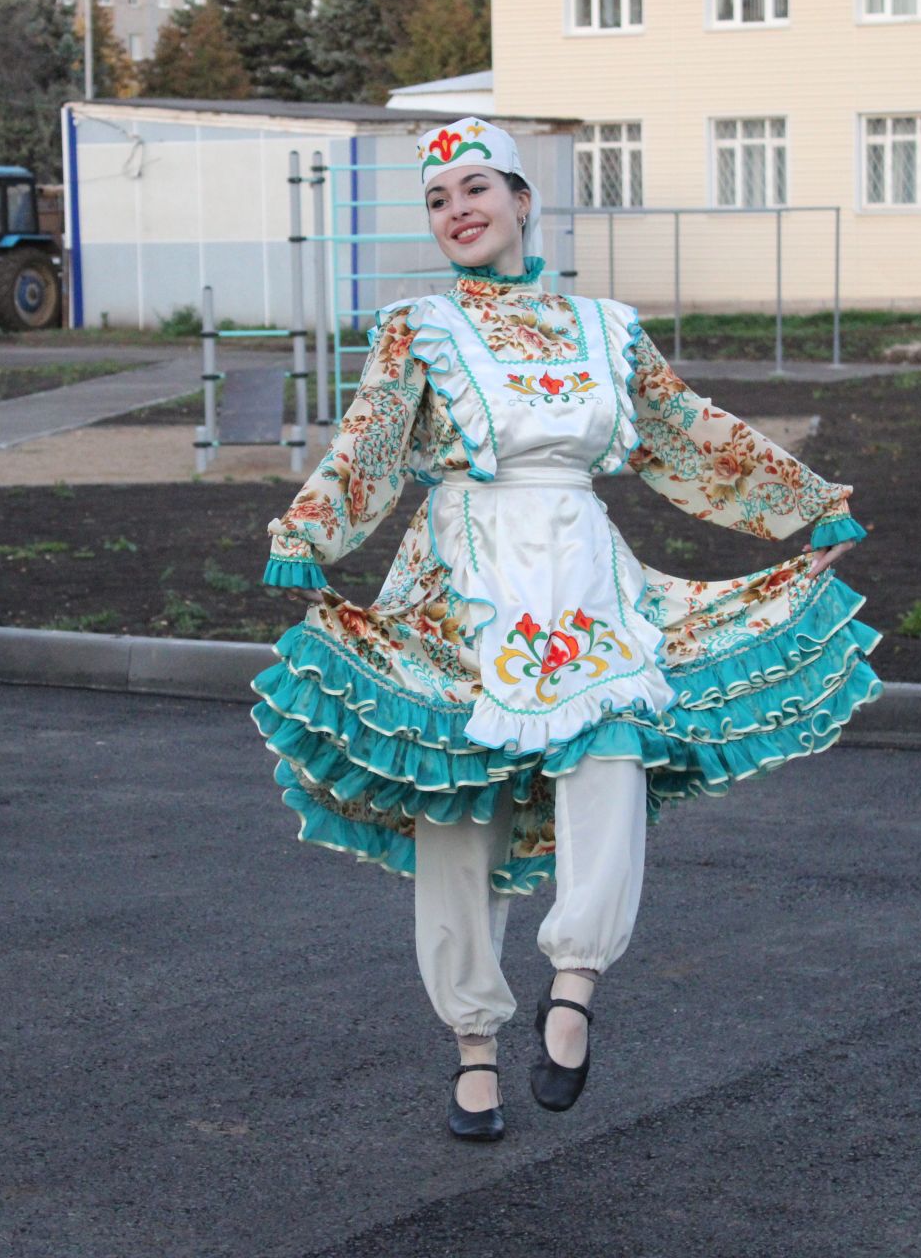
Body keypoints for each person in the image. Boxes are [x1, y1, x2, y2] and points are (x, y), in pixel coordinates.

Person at [251, 118, 882, 1143]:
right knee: (456, 799)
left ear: (521, 199)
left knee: (614, 750)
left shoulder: (608, 329)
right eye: (438, 198)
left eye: (475, 188)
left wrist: (802, 496)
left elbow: (689, 436)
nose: (458, 210)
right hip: (462, 573)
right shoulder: (418, 326)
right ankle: (471, 1043)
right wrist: (310, 529)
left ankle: (577, 978)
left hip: (583, 568)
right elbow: (367, 439)